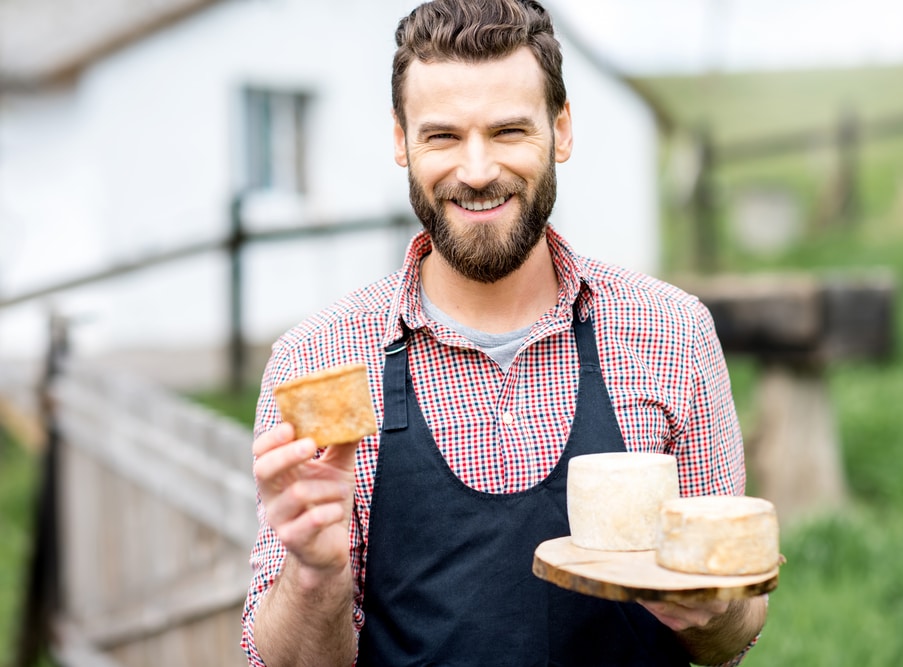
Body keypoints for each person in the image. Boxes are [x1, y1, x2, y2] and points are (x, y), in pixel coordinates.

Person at [241, 0, 768, 665]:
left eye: (509, 131)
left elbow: (731, 635)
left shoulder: (672, 334)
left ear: (562, 129)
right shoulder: (318, 358)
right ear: (401, 140)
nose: (478, 168)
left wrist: (712, 608)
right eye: (442, 136)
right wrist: (315, 573)